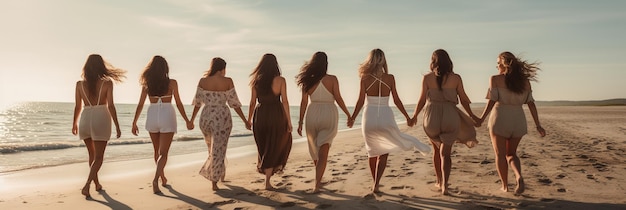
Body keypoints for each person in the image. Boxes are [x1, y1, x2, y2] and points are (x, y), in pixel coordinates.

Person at [348, 48, 431, 193]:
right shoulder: (390, 78)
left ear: (370, 60)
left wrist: (353, 117)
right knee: (383, 151)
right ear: (383, 60)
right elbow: (397, 100)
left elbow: (360, 101)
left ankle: (374, 181)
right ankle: (376, 183)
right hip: (386, 115)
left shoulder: (364, 78)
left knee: (372, 151)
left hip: (369, 117)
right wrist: (408, 117)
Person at [409, 49, 479, 195]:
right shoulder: (456, 78)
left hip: (431, 116)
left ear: (433, 62)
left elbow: (421, 99)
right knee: (445, 154)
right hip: (449, 115)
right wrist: (472, 115)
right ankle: (445, 185)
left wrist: (414, 116)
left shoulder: (427, 78)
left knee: (436, 150)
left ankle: (438, 181)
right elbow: (464, 100)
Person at [476, 51, 546, 195]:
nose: (497, 66)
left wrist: (482, 118)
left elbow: (492, 101)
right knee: (512, 154)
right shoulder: (525, 82)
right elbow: (531, 104)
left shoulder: (495, 79)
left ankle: (505, 186)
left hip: (500, 117)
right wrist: (538, 125)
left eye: (498, 63)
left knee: (500, 155)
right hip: (518, 119)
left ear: (504, 64)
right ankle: (519, 176)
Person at [131, 55, 192, 194]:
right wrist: (187, 120)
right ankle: (156, 179)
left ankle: (162, 178)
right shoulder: (172, 83)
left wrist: (134, 122)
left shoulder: (146, 84)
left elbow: (140, 104)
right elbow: (179, 103)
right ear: (165, 68)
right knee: (163, 153)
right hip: (167, 115)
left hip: (152, 115)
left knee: (156, 151)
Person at [189, 57, 250, 191]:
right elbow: (234, 104)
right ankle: (214, 181)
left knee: (212, 148)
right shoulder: (228, 81)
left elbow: (197, 103)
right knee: (218, 149)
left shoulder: (203, 81)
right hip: (222, 117)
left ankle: (219, 171)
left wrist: (191, 120)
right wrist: (245, 120)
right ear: (222, 68)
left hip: (205, 117)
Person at [295, 52, 352, 193]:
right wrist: (348, 114)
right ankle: (317, 183)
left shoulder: (307, 80)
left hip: (312, 113)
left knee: (315, 150)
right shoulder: (332, 79)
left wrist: (300, 121)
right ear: (326, 63)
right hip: (329, 113)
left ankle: (318, 180)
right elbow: (338, 98)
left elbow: (303, 103)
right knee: (324, 150)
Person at [72, 54, 125, 198]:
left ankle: (97, 184)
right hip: (101, 116)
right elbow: (111, 106)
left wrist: (74, 124)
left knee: (92, 155)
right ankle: (87, 184)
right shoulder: (107, 83)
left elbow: (78, 106)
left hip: (85, 117)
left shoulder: (79, 84)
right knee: (99, 157)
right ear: (101, 66)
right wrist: (117, 126)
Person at [247, 53, 293, 190]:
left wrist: (248, 120)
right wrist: (289, 121)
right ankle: (269, 178)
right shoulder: (280, 80)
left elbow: (252, 102)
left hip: (260, 115)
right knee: (276, 143)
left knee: (264, 145)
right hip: (276, 114)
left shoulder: (255, 81)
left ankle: (268, 172)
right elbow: (285, 101)